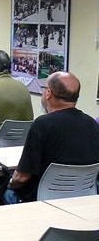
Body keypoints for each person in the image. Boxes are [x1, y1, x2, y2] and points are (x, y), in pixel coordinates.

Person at [6, 72, 99, 203]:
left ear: (48, 93)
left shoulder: (41, 124)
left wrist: (8, 184)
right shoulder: (92, 124)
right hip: (82, 201)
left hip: (41, 201)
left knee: (1, 193)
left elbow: (21, 178)